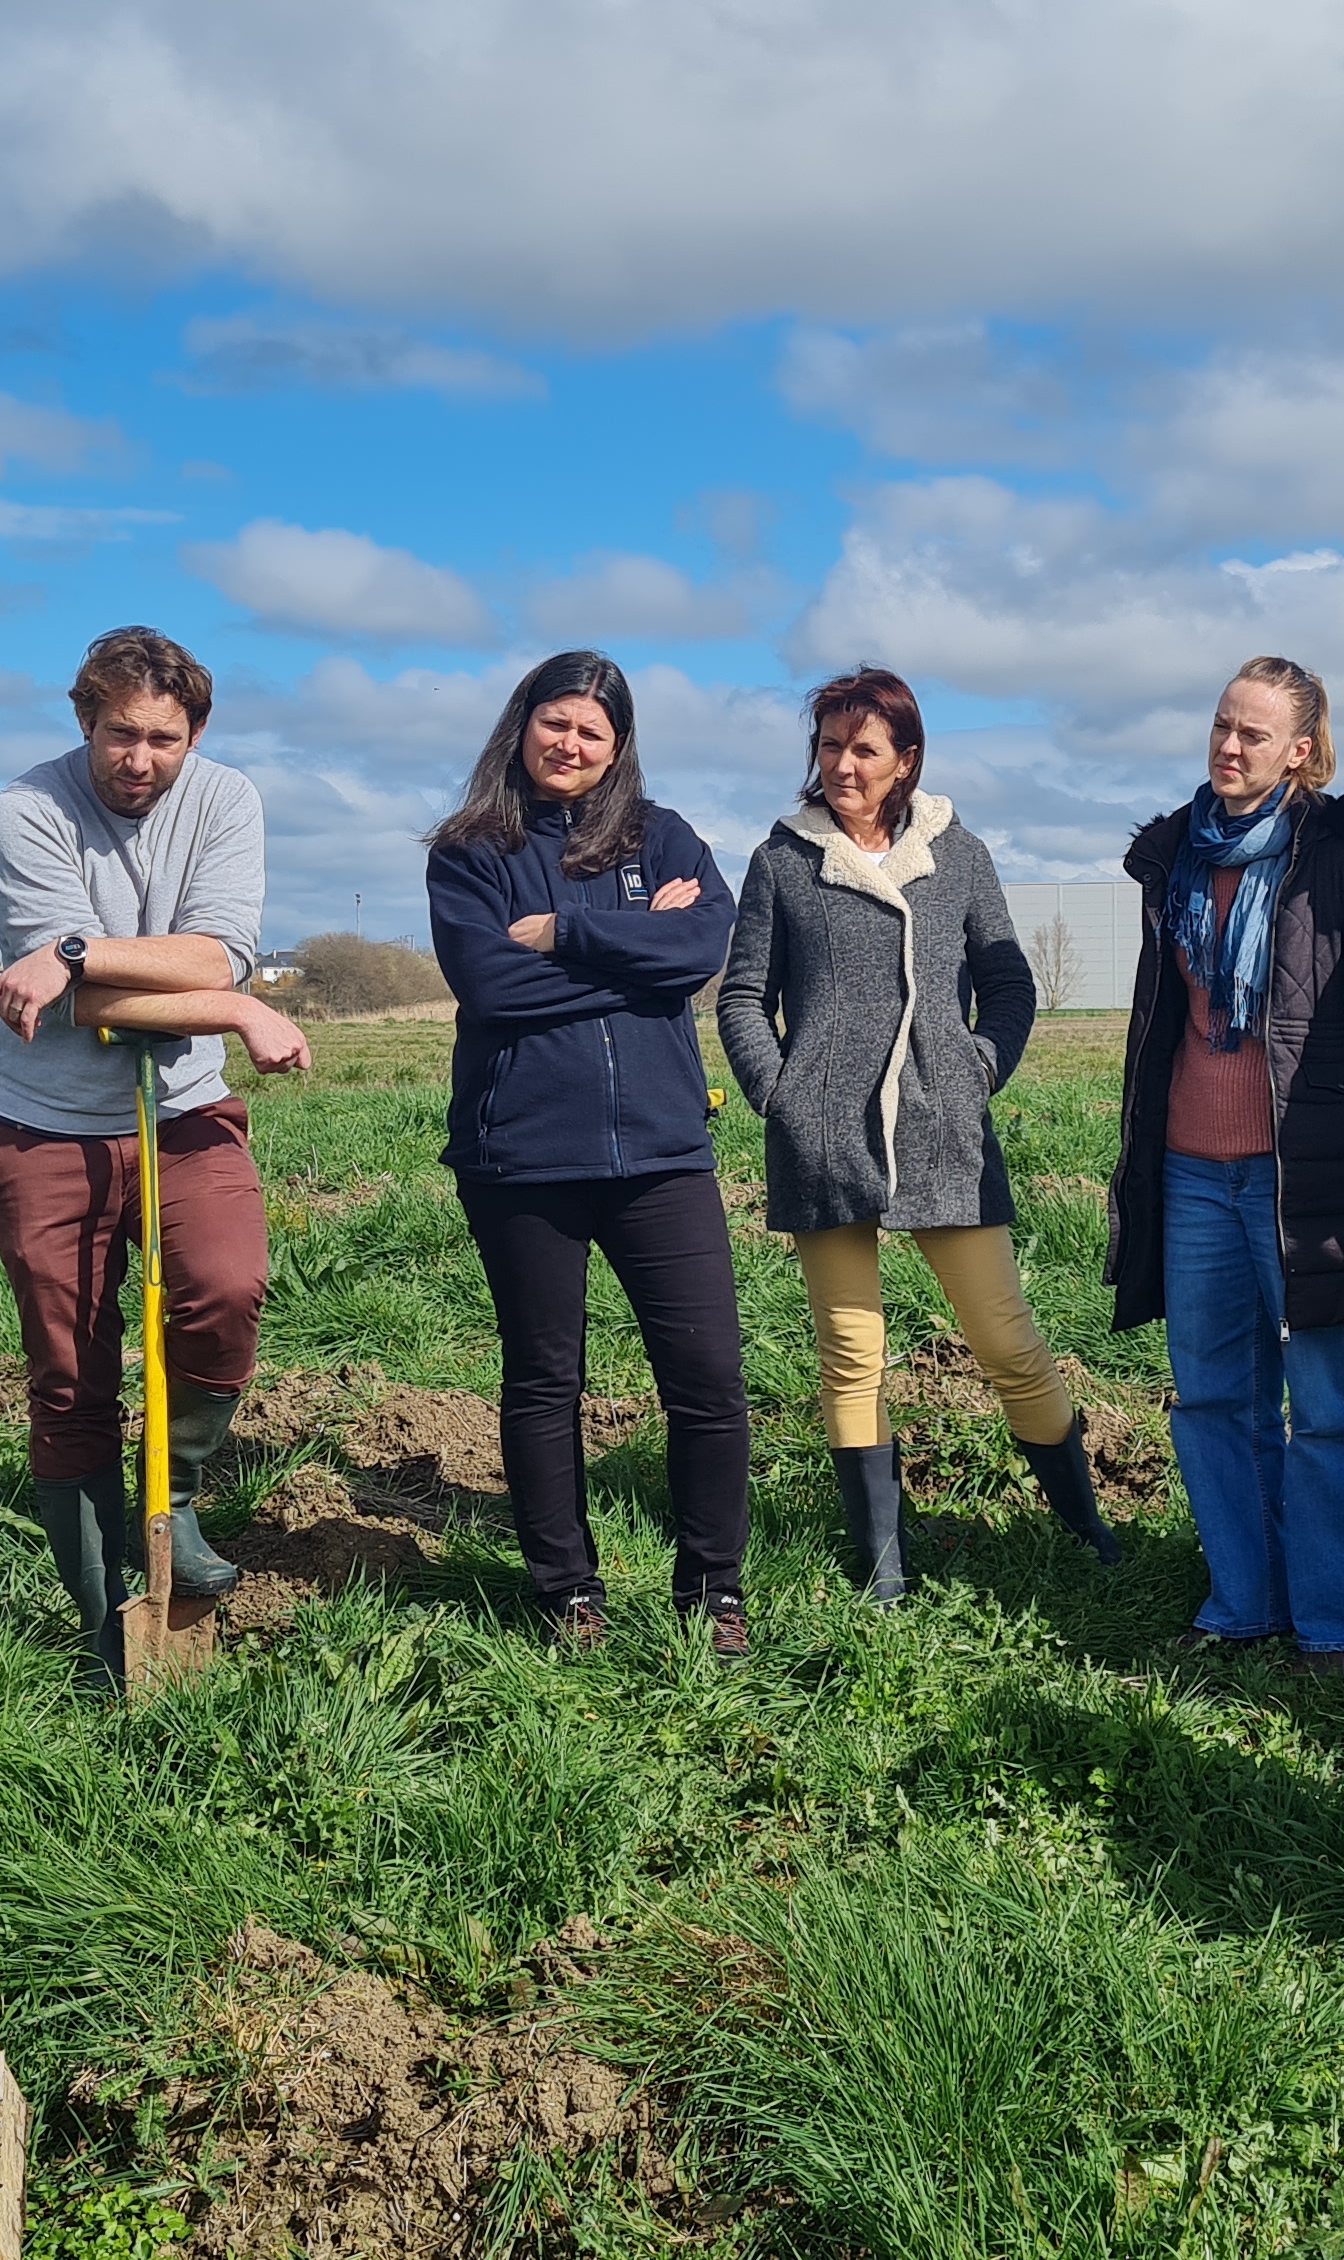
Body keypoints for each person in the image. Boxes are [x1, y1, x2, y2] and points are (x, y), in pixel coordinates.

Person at [718, 665, 1113, 1601]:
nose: (843, 765)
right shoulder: (783, 859)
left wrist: (976, 1069)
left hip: (945, 1136)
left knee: (1008, 1341)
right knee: (851, 1353)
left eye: (864, 749)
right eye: (830, 746)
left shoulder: (959, 853)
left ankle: (1086, 1528)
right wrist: (786, 1097)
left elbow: (1008, 983)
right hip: (826, 1141)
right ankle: (882, 1569)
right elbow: (742, 996)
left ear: (906, 760)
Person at [0, 626, 309, 1695]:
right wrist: (238, 1009)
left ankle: (178, 1494)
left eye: (164, 738)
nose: (140, 760)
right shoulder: (23, 812)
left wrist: (70, 952)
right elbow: (106, 1001)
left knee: (225, 1285)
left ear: (194, 733)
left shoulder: (226, 801)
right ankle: (99, 1613)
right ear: (85, 721)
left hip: (185, 1111)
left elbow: (211, 949)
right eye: (120, 734)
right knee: (70, 1368)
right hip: (47, 1122)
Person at [426, 653, 751, 1650]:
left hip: (661, 1153)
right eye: (554, 723)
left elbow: (703, 949)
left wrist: (562, 932)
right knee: (544, 1379)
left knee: (707, 1377)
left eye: (591, 732)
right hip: (521, 1156)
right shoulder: (469, 851)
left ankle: (714, 1593)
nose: (569, 745)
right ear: (523, 724)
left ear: (619, 746)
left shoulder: (664, 835)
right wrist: (630, 956)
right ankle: (568, 1593)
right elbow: (491, 990)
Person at [1106, 659, 1344, 1671]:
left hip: (1307, 1171)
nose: (1228, 747)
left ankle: (1340, 1624)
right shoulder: (1176, 862)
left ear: (1303, 751)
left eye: (1254, 734)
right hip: (1191, 1172)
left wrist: (1332, 1127)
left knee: (1333, 1405)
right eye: (1220, 726)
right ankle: (1244, 1600)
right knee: (1212, 1401)